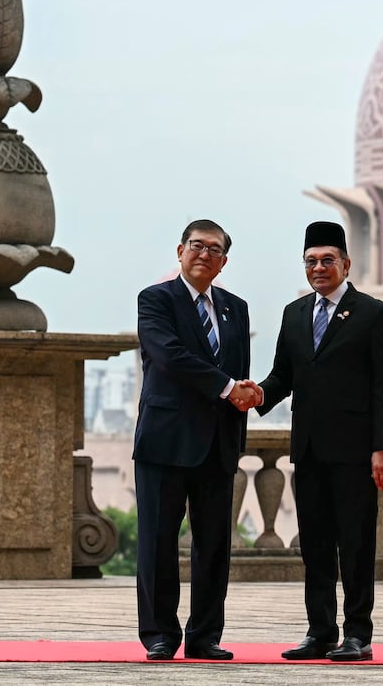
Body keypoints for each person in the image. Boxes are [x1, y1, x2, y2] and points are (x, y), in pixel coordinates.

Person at [258, 221, 383, 663]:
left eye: (327, 260)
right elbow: (284, 376)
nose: (318, 268)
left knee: (356, 545)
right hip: (310, 450)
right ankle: (319, 631)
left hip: (357, 453)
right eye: (310, 262)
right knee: (315, 545)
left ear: (345, 264)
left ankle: (358, 634)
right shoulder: (294, 314)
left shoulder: (373, 313)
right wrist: (253, 395)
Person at [132, 219, 258, 661]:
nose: (205, 254)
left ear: (224, 261)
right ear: (180, 251)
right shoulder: (156, 299)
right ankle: (160, 635)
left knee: (214, 546)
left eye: (215, 249)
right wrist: (228, 387)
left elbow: (237, 368)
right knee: (158, 542)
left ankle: (205, 636)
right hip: (165, 442)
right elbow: (170, 356)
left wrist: (246, 393)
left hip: (218, 443)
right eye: (197, 246)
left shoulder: (236, 308)